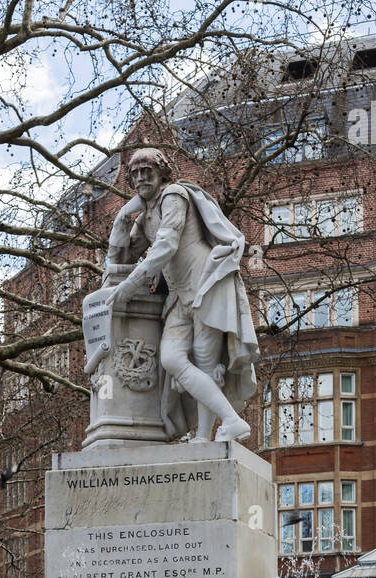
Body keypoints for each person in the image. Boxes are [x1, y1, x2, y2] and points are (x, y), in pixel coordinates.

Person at [102, 147, 259, 443]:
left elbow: (167, 245)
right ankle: (229, 420)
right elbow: (120, 259)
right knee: (172, 359)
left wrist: (133, 283)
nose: (140, 178)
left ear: (161, 172)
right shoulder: (145, 216)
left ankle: (205, 435)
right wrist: (121, 218)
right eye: (134, 174)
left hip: (205, 283)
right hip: (178, 296)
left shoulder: (174, 195)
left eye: (146, 171)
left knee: (205, 364)